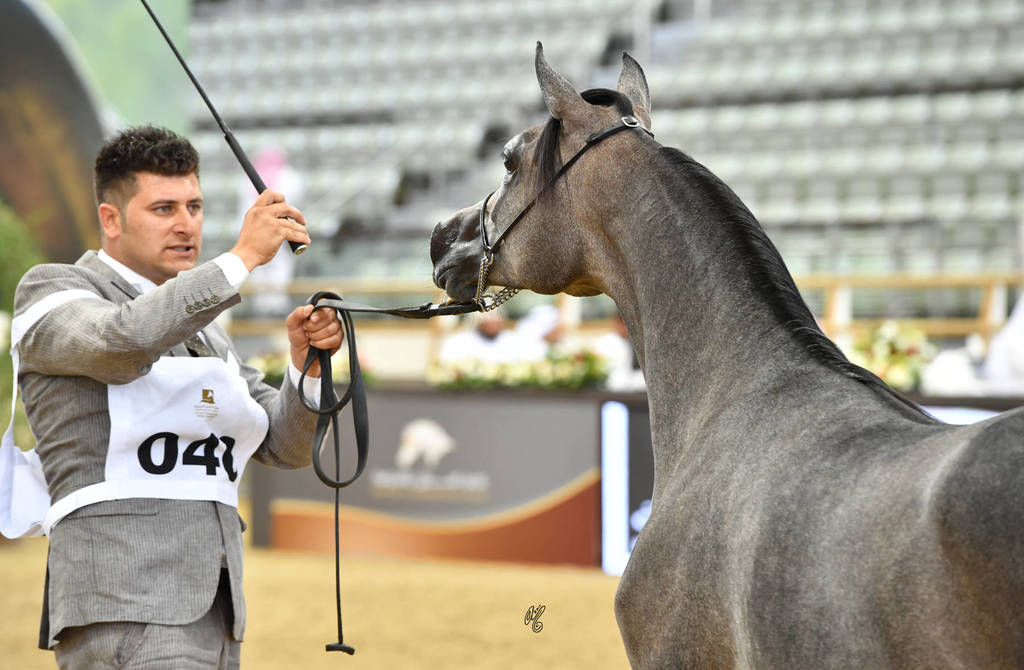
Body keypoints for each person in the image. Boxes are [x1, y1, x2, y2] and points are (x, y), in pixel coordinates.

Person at [3, 125, 341, 669]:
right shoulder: (52, 290)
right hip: (122, 603)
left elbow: (285, 447)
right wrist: (240, 260)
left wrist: (305, 368)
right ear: (110, 220)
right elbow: (120, 341)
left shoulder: (206, 333)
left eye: (195, 206)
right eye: (164, 209)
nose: (186, 224)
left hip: (217, 609)